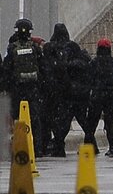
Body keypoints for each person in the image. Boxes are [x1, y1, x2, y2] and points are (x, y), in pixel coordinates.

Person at [4, 19, 45, 156]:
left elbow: (7, 69)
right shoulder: (34, 48)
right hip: (32, 89)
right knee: (35, 118)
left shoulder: (12, 48)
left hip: (17, 89)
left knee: (17, 119)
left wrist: (8, 87)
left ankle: (19, 146)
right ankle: (37, 148)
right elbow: (43, 68)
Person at [39, 23, 71, 157]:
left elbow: (43, 66)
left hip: (49, 89)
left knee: (47, 119)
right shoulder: (70, 47)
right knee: (62, 119)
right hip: (64, 89)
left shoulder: (48, 47)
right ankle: (59, 144)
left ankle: (45, 146)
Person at [88, 38, 113, 157]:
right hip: (111, 96)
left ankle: (89, 145)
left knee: (92, 122)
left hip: (97, 95)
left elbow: (90, 79)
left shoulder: (94, 62)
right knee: (109, 121)